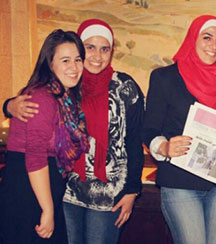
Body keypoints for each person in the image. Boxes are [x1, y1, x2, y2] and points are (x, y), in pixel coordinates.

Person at [2, 19, 144, 244]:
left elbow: (135, 140)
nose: (97, 56)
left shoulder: (120, 86)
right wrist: (9, 105)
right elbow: (36, 132)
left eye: (104, 48)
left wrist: (132, 191)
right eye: (89, 48)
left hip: (107, 194)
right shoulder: (65, 89)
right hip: (65, 191)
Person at [142, 15, 216, 244]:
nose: (214, 46)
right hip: (179, 182)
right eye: (207, 37)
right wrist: (163, 146)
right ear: (193, 38)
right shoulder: (164, 78)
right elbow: (149, 128)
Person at [0, 29, 88, 244]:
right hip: (27, 191)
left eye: (78, 59)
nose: (74, 67)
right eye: (65, 60)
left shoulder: (65, 97)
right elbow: (35, 157)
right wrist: (47, 209)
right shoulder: (42, 97)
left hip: (43, 188)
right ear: (50, 64)